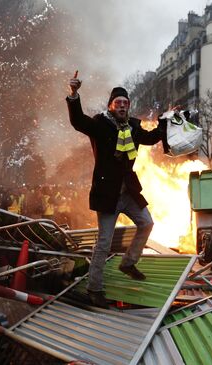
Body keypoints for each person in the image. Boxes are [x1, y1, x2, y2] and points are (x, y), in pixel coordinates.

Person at [66, 75, 163, 308]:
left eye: (125, 103)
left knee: (147, 223)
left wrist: (169, 121)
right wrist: (73, 94)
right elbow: (78, 120)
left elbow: (151, 138)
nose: (122, 106)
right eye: (118, 102)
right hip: (107, 194)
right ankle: (94, 288)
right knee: (104, 243)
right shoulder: (100, 124)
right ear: (111, 105)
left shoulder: (134, 127)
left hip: (128, 192)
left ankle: (128, 262)